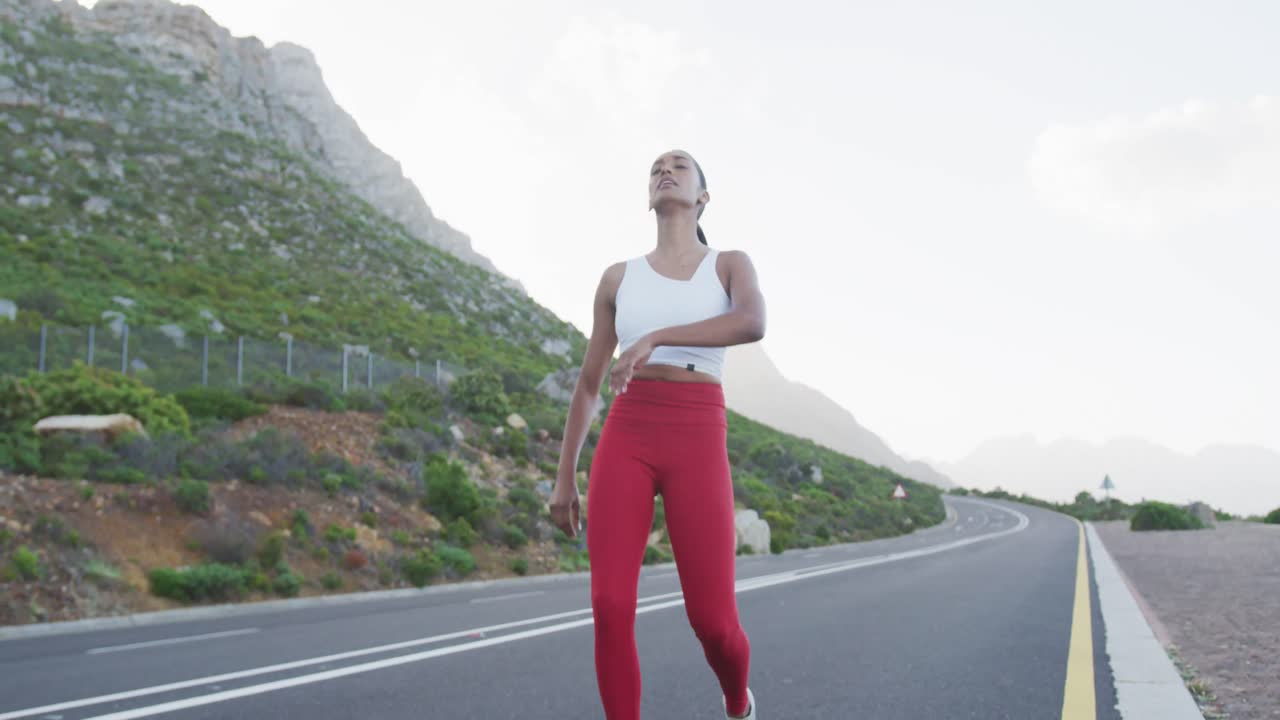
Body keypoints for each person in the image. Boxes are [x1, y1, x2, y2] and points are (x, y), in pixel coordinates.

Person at [550, 149, 766, 720]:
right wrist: (564, 477)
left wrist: (656, 337)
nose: (665, 170)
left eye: (680, 165)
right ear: (649, 195)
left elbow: (752, 322)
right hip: (629, 431)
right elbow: (589, 384)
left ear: (703, 197)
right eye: (656, 168)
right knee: (609, 604)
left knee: (713, 623)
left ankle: (737, 701)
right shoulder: (618, 278)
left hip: (697, 433)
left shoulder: (729, 265)